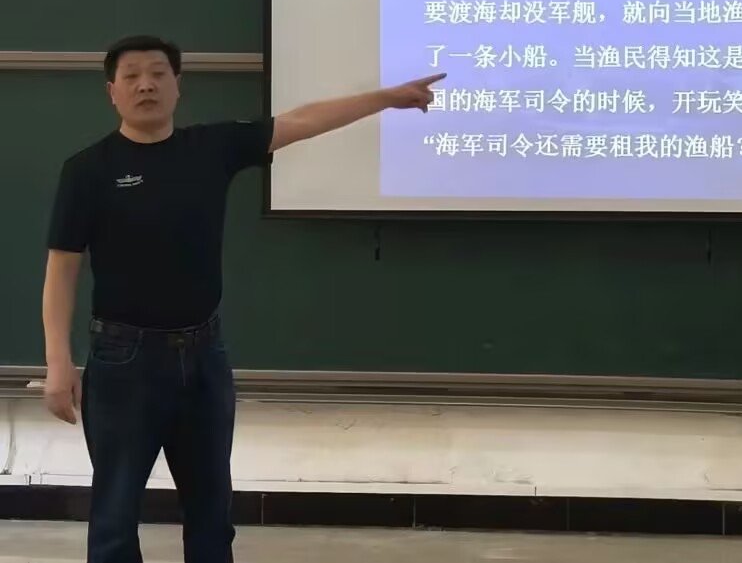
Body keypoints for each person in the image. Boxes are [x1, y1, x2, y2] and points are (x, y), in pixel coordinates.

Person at [41, 34, 446, 563]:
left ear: (178, 86)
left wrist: (387, 98)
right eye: (132, 75)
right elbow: (62, 268)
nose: (146, 85)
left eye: (159, 73)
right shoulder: (88, 169)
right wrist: (57, 362)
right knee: (115, 515)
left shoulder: (211, 148)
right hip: (123, 361)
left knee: (212, 512)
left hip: (204, 359)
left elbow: (301, 121)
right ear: (112, 91)